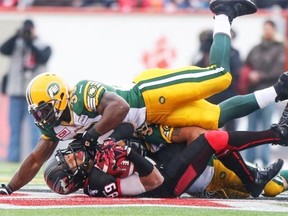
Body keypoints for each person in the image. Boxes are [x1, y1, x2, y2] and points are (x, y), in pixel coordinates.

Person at [0, 0, 283, 195]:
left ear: (60, 97)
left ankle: (223, 13)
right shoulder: (56, 129)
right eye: (39, 111)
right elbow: (36, 159)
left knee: (220, 75)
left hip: (149, 98)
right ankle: (279, 91)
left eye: (44, 108)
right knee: (213, 119)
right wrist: (10, 187)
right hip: (150, 127)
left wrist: (89, 138)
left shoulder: (80, 95)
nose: (42, 116)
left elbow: (120, 108)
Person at [0, 19, 52, 162]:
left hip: (35, 97)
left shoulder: (42, 44)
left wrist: (30, 41)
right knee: (14, 129)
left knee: (36, 129)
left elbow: (44, 57)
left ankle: (36, 159)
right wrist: (16, 36)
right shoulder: (16, 44)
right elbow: (3, 49)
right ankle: (12, 159)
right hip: (15, 93)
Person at [239, 19, 285, 166]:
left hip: (270, 93)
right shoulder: (255, 48)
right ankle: (249, 161)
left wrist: (259, 75)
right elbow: (246, 66)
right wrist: (249, 75)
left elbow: (279, 71)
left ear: (274, 30)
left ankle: (265, 161)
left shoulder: (279, 49)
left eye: (269, 28)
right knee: (250, 128)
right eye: (265, 28)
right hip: (253, 93)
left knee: (267, 130)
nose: (267, 31)